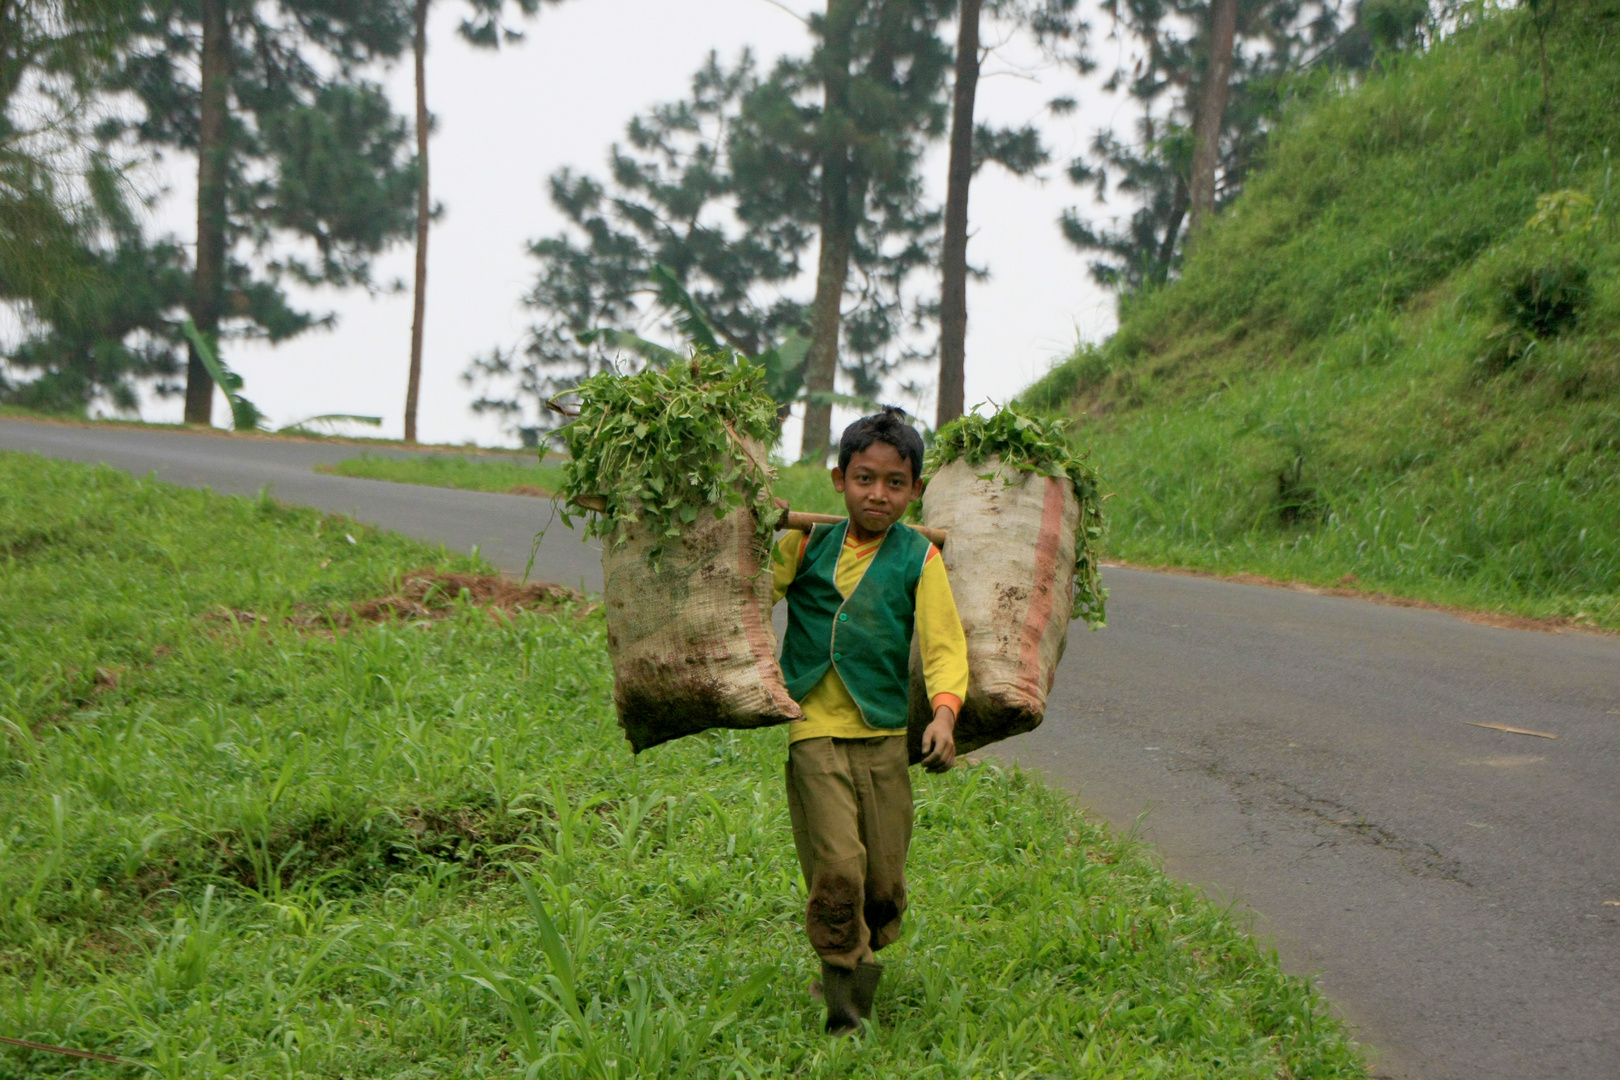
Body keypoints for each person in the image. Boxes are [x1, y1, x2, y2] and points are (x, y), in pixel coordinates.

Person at [770, 406, 969, 1034]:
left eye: (893, 483)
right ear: (838, 479)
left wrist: (943, 715)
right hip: (814, 730)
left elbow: (942, 645)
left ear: (914, 490)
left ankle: (858, 950)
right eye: (863, 479)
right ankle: (845, 1010)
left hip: (884, 734)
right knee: (838, 872)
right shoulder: (803, 543)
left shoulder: (920, 557)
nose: (877, 494)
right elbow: (738, 592)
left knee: (881, 885)